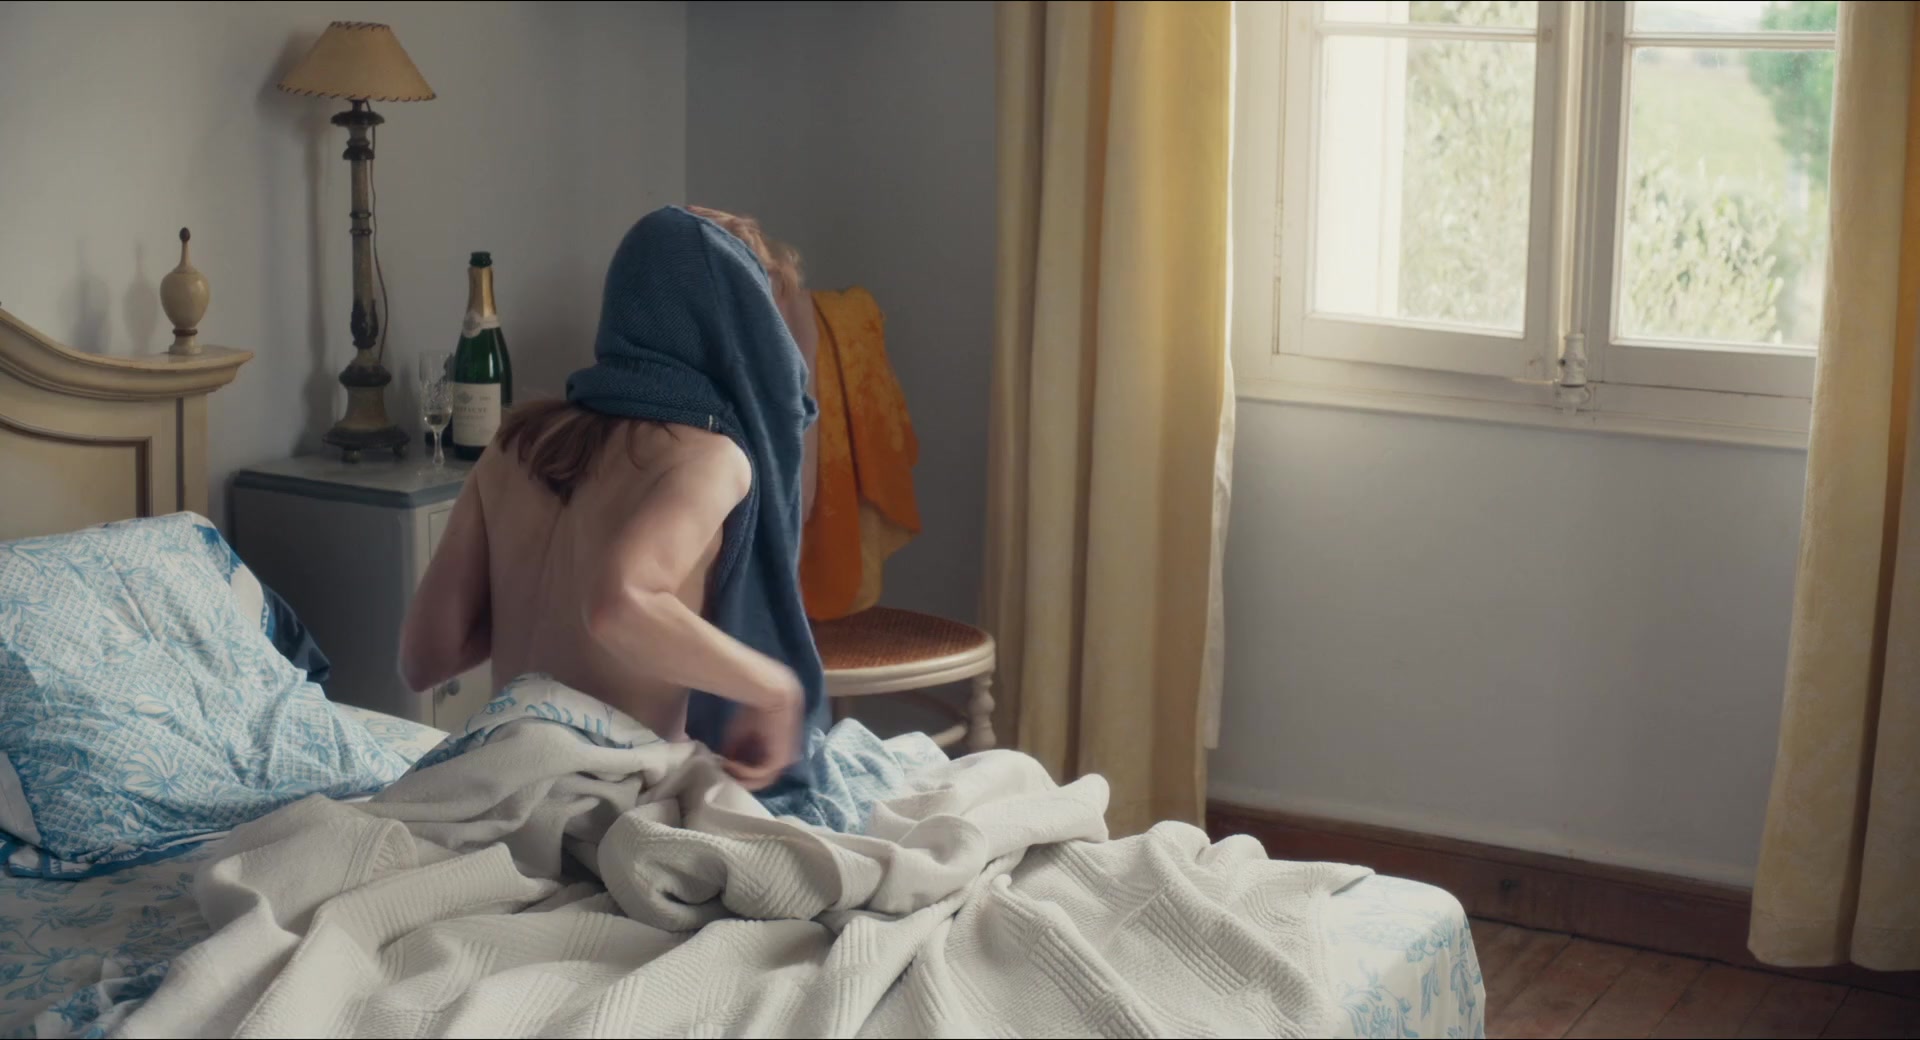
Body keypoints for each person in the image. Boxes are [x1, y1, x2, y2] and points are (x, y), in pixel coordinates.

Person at [399, 206, 824, 792]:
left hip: (499, 775)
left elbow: (425, 657)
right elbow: (619, 604)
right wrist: (776, 690)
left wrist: (535, 602)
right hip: (602, 795)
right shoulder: (709, 457)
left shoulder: (517, 440)